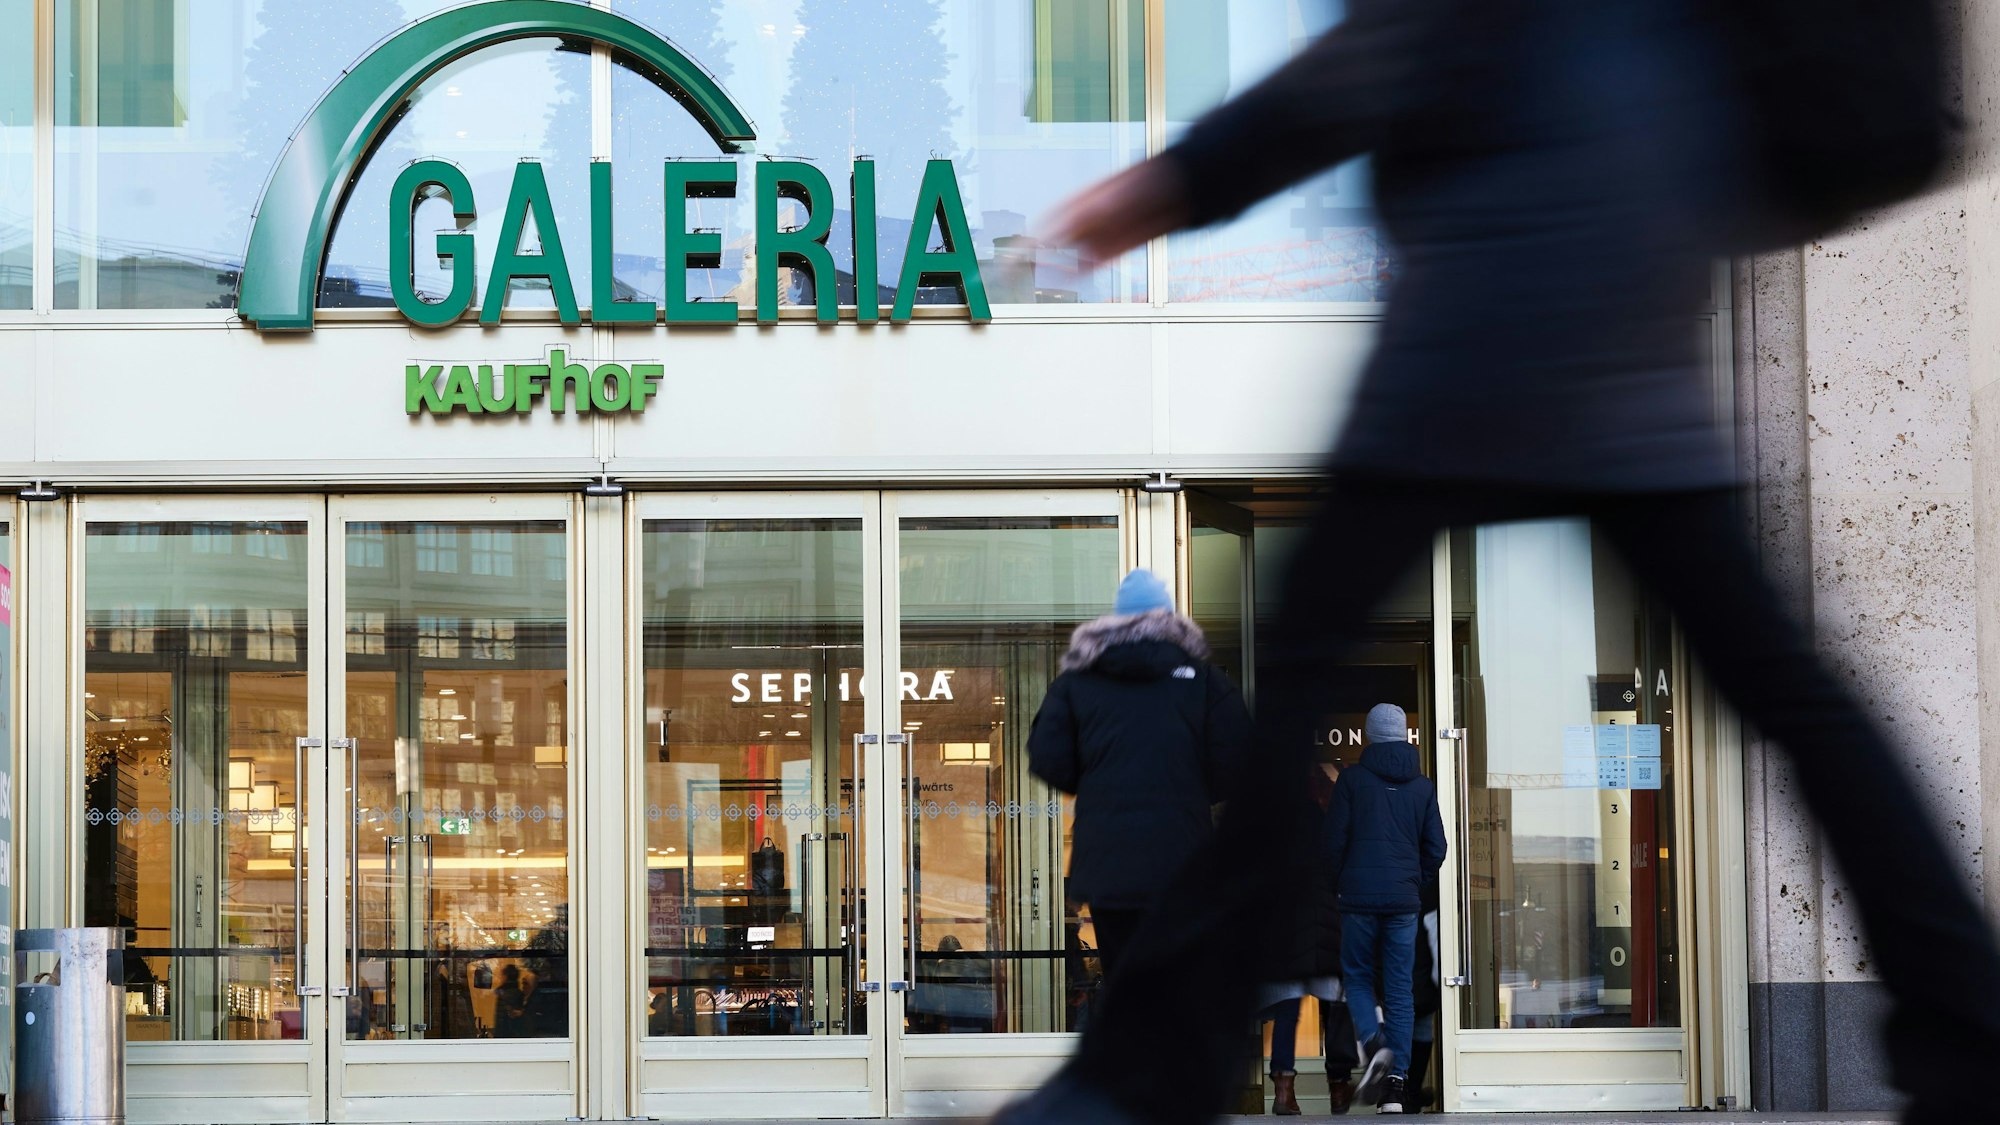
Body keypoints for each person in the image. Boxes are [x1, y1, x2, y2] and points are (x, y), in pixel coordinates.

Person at [993, 4, 2000, 1121]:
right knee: (1792, 693)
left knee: (1298, 681)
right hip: (1634, 268)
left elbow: (1378, 56)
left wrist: (1170, 184)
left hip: (1491, 290)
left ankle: (1137, 1078)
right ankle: (1972, 1037)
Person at [1028, 568, 1249, 988]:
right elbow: (1238, 760)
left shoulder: (1078, 682)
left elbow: (1046, 756)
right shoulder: (1203, 681)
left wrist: (1094, 782)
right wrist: (1194, 791)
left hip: (1109, 865)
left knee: (1124, 982)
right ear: (1169, 620)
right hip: (1182, 859)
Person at [1326, 704, 1445, 1113]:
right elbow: (1437, 848)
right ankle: (1396, 1087)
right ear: (1403, 736)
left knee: (1358, 977)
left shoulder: (1351, 780)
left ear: (1371, 735)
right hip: (1403, 903)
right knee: (1400, 989)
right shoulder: (1423, 787)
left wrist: (1340, 884)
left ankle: (1375, 1043)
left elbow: (1333, 842)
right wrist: (1413, 882)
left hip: (1357, 898)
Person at [1257, 757, 1355, 1115]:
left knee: (1288, 1008)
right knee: (1335, 1006)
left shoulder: (1269, 827)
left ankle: (1284, 1091)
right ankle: (1339, 1087)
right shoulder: (1326, 821)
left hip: (1286, 928)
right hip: (1325, 922)